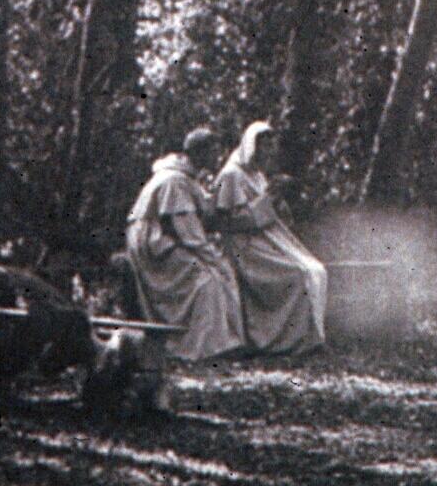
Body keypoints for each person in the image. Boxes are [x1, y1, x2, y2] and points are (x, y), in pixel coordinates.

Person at [124, 128, 247, 362]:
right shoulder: (175, 180)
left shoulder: (186, 178)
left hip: (163, 239)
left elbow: (200, 218)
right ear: (198, 153)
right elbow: (189, 232)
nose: (217, 157)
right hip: (153, 244)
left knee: (216, 273)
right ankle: (199, 347)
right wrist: (213, 257)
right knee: (207, 280)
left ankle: (220, 342)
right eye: (212, 151)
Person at [209, 121, 327, 358]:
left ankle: (307, 338)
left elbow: (271, 213)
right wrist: (268, 198)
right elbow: (225, 222)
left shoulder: (257, 175)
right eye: (264, 146)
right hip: (242, 246)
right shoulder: (232, 175)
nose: (268, 152)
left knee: (316, 270)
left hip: (264, 239)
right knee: (299, 273)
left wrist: (277, 199)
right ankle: (281, 340)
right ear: (251, 146)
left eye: (271, 146)